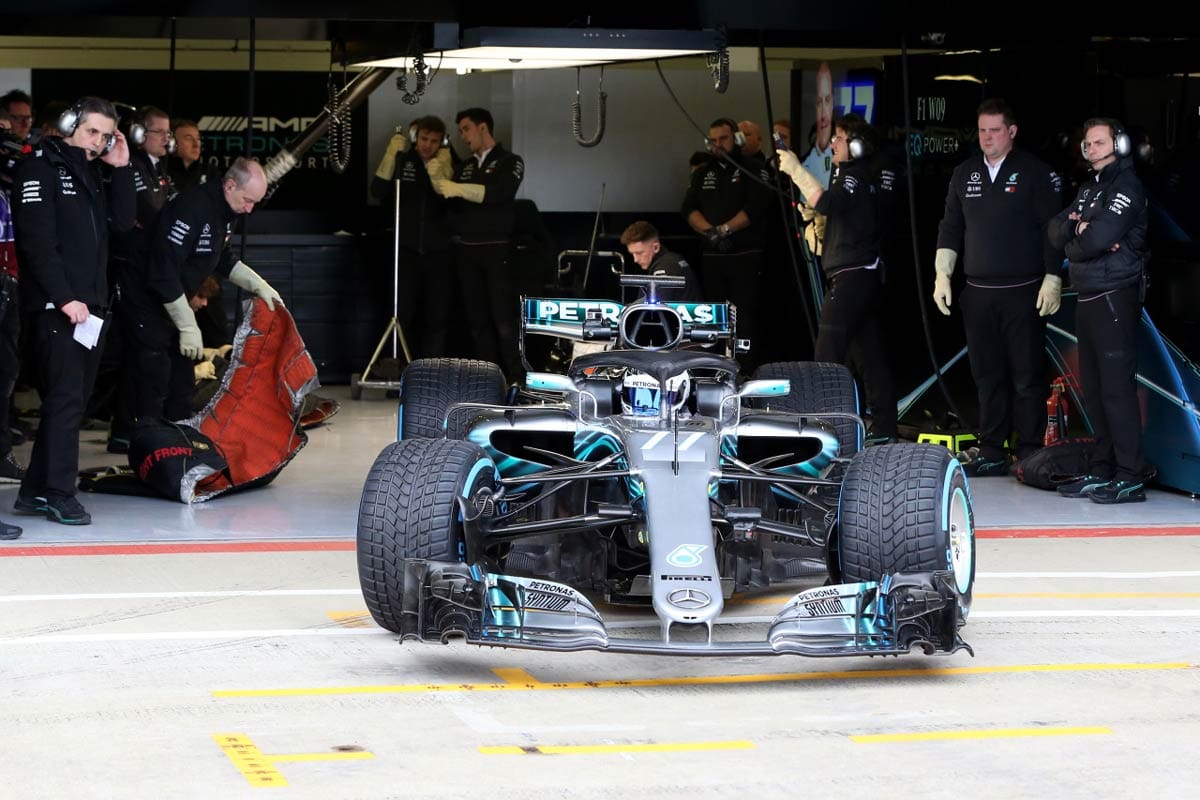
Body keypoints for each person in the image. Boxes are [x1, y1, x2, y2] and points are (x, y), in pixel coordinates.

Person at [10, 96, 136, 525]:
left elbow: (122, 225)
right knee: (65, 401)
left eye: (105, 134)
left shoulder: (91, 172)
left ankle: (34, 492)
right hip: (57, 307)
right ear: (67, 125)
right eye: (92, 132)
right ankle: (61, 494)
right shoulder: (38, 167)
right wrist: (64, 298)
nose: (99, 142)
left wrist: (121, 169)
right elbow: (36, 241)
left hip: (91, 307)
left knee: (72, 403)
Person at [933, 98, 1064, 476]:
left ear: (1012, 132)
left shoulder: (1034, 172)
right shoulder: (964, 173)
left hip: (1023, 290)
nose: (987, 137)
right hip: (977, 291)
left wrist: (1053, 277)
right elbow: (950, 227)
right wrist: (943, 274)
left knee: (1026, 376)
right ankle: (991, 449)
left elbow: (1051, 231)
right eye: (981, 131)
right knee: (986, 375)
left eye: (994, 130)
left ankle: (1029, 451)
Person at [125, 157, 281, 422]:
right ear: (230, 185)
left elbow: (222, 257)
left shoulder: (227, 211)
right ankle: (142, 442)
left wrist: (259, 285)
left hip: (175, 301)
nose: (250, 209)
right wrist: (188, 325)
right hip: (146, 299)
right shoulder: (192, 208)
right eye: (248, 200)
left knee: (183, 377)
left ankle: (178, 438)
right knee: (155, 375)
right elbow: (163, 272)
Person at [1049, 119, 1153, 503]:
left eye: (1098, 142)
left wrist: (1081, 234)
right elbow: (1055, 231)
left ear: (1119, 144)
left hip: (1114, 295)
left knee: (1116, 390)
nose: (1090, 148)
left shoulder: (1127, 186)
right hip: (1089, 294)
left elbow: (1099, 236)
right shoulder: (1089, 188)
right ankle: (1103, 467)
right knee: (1091, 389)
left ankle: (1131, 475)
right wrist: (1079, 233)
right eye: (1087, 142)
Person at [779, 113, 897, 442]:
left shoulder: (855, 175)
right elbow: (834, 210)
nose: (833, 143)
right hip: (862, 275)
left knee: (827, 353)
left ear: (857, 145)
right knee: (869, 356)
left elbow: (828, 202)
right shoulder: (849, 174)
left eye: (840, 138)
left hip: (853, 276)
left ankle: (822, 430)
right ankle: (885, 429)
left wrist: (796, 170)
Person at [433, 107, 525, 380]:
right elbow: (450, 204)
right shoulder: (466, 166)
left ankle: (517, 377)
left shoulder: (511, 160)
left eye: (466, 129)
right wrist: (438, 177)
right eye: (460, 131)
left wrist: (460, 189)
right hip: (467, 251)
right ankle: (489, 378)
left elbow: (501, 193)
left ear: (483, 127)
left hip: (497, 250)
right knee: (476, 322)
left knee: (504, 321)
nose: (463, 136)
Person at [681, 118, 771, 363]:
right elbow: (688, 208)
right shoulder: (702, 173)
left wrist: (725, 229)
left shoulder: (754, 168)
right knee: (713, 317)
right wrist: (710, 232)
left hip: (746, 256)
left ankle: (746, 367)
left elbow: (756, 208)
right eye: (713, 140)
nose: (718, 144)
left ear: (737, 139)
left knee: (745, 318)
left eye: (723, 138)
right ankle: (714, 365)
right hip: (713, 257)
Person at [371, 115, 454, 358]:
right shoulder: (402, 160)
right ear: (415, 137)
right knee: (400, 312)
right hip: (404, 250)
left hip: (438, 252)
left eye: (434, 141)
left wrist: (442, 172)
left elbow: (454, 204)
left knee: (437, 315)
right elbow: (377, 191)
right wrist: (389, 156)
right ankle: (396, 368)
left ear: (442, 142)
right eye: (424, 139)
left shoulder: (448, 162)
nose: (428, 145)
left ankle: (432, 371)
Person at [619, 221, 701, 302]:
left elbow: (657, 310)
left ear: (656, 247)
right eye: (632, 254)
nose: (635, 260)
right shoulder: (673, 259)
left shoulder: (666, 267)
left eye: (639, 253)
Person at [802, 64, 835, 192]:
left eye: (827, 100)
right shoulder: (803, 162)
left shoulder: (843, 160)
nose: (823, 113)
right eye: (818, 102)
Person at [167, 119, 208, 193]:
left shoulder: (211, 173)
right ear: (172, 142)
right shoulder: (160, 172)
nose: (196, 144)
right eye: (188, 138)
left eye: (198, 139)